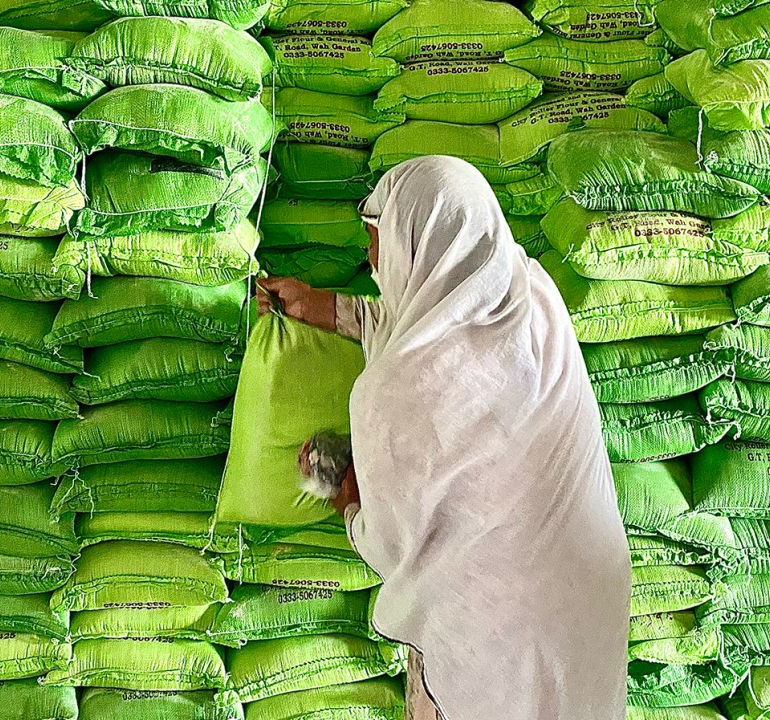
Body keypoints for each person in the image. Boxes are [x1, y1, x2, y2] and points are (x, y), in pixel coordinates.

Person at [257, 156, 630, 720]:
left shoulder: (393, 393)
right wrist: (329, 308)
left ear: (414, 246)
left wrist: (347, 497)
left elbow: (390, 544)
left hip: (485, 631)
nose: (370, 259)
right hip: (583, 603)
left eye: (377, 242)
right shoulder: (534, 298)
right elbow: (440, 317)